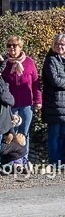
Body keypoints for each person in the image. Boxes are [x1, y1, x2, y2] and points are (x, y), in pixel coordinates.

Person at [2, 35, 41, 166]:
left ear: (20, 47)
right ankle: (13, 159)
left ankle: (24, 158)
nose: (12, 48)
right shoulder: (5, 63)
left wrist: (38, 100)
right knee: (11, 133)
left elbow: (35, 83)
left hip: (26, 104)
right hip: (11, 105)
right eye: (9, 46)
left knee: (24, 133)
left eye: (14, 45)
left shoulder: (29, 62)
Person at [41, 33, 65, 167]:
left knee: (63, 134)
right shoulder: (50, 60)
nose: (60, 47)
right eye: (58, 44)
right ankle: (55, 161)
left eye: (62, 44)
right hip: (54, 104)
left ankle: (63, 161)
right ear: (53, 45)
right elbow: (55, 80)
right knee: (54, 134)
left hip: (64, 104)